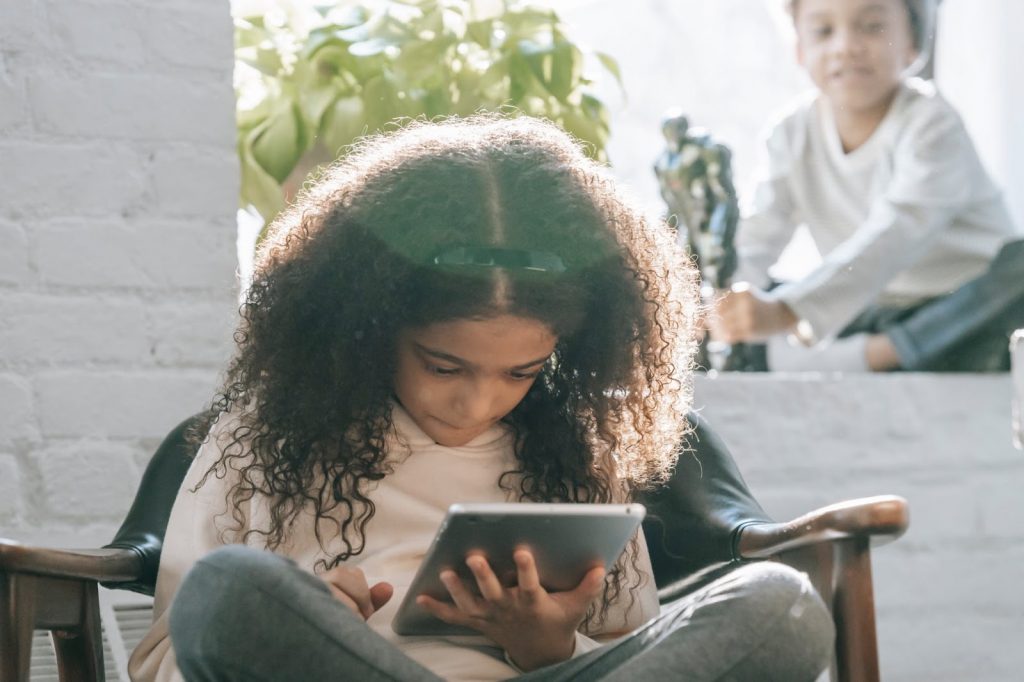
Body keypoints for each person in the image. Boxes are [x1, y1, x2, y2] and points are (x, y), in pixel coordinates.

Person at [128, 116, 834, 682]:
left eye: (521, 372)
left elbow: (640, 652)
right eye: (443, 366)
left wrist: (552, 649)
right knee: (230, 591)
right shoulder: (261, 443)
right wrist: (315, 623)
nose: (477, 404)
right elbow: (168, 654)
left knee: (783, 608)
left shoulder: (581, 453)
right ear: (368, 325)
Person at [713, 0, 1024, 372]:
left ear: (912, 44)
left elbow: (896, 234)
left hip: (961, 301)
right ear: (799, 49)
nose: (846, 46)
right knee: (769, 295)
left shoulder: (931, 123)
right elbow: (757, 234)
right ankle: (877, 350)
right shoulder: (791, 133)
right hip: (870, 306)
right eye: (823, 31)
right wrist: (729, 304)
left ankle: (872, 356)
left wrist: (788, 311)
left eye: (872, 26)